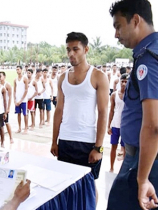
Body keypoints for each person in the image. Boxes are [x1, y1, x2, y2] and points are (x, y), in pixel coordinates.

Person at [108, 1, 158, 209]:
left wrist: (142, 178)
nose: (116, 35)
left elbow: (153, 126)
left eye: (118, 26)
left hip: (145, 162)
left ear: (136, 20)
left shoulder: (150, 58)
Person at [50, 32, 109, 203]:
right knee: (66, 184)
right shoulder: (63, 78)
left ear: (86, 50)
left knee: (88, 185)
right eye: (68, 49)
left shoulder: (98, 76)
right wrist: (55, 140)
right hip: (66, 140)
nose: (71, 54)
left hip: (88, 142)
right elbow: (58, 110)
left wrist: (99, 148)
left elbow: (104, 112)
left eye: (75, 49)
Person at [107, 74, 129, 173]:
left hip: (126, 125)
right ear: (119, 81)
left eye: (126, 81)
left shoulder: (131, 95)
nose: (124, 83)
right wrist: (108, 125)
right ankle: (111, 167)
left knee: (125, 149)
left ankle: (122, 170)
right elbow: (111, 110)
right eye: (122, 81)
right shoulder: (114, 95)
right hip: (115, 124)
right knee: (113, 147)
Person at [0, 71, 14, 143]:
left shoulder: (7, 85)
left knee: (7, 122)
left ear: (4, 77)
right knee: (0, 124)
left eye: (1, 76)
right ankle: (2, 138)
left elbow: (10, 97)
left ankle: (11, 137)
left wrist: (8, 108)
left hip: (5, 107)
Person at [13, 66, 29, 134]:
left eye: (18, 69)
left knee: (25, 114)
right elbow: (14, 90)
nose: (17, 71)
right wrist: (14, 99)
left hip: (23, 100)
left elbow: (26, 90)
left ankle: (26, 128)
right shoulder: (15, 79)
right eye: (16, 69)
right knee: (18, 114)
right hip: (17, 99)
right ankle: (19, 127)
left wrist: (21, 100)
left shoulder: (25, 78)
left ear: (21, 70)